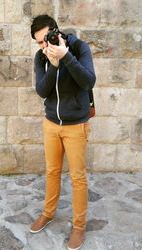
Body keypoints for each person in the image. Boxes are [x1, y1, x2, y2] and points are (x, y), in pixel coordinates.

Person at [30, 14, 96, 250]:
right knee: (51, 171)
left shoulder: (79, 48)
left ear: (55, 32)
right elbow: (42, 91)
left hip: (76, 125)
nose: (43, 46)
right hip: (51, 124)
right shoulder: (41, 57)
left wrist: (66, 57)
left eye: (45, 39)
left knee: (77, 177)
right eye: (38, 42)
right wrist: (53, 66)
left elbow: (88, 81)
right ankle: (48, 213)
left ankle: (79, 226)